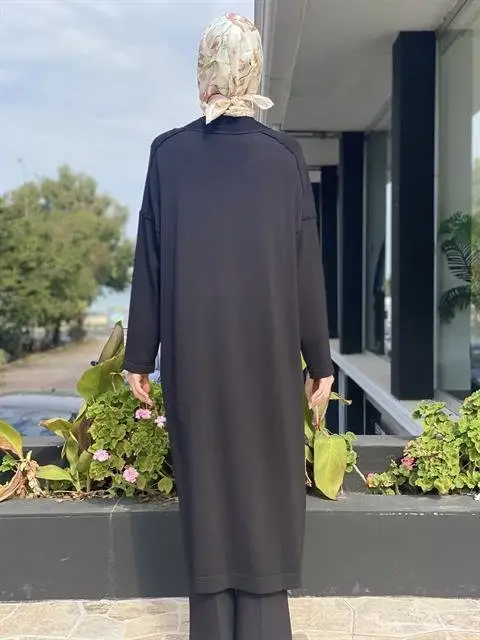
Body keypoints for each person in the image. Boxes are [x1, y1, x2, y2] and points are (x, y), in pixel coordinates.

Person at [124, 13, 334, 640]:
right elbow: (305, 267)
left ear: (204, 69)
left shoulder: (168, 155)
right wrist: (318, 360)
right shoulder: (284, 157)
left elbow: (150, 260)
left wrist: (140, 354)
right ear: (253, 69)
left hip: (196, 360)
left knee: (209, 490)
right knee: (266, 491)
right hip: (267, 360)